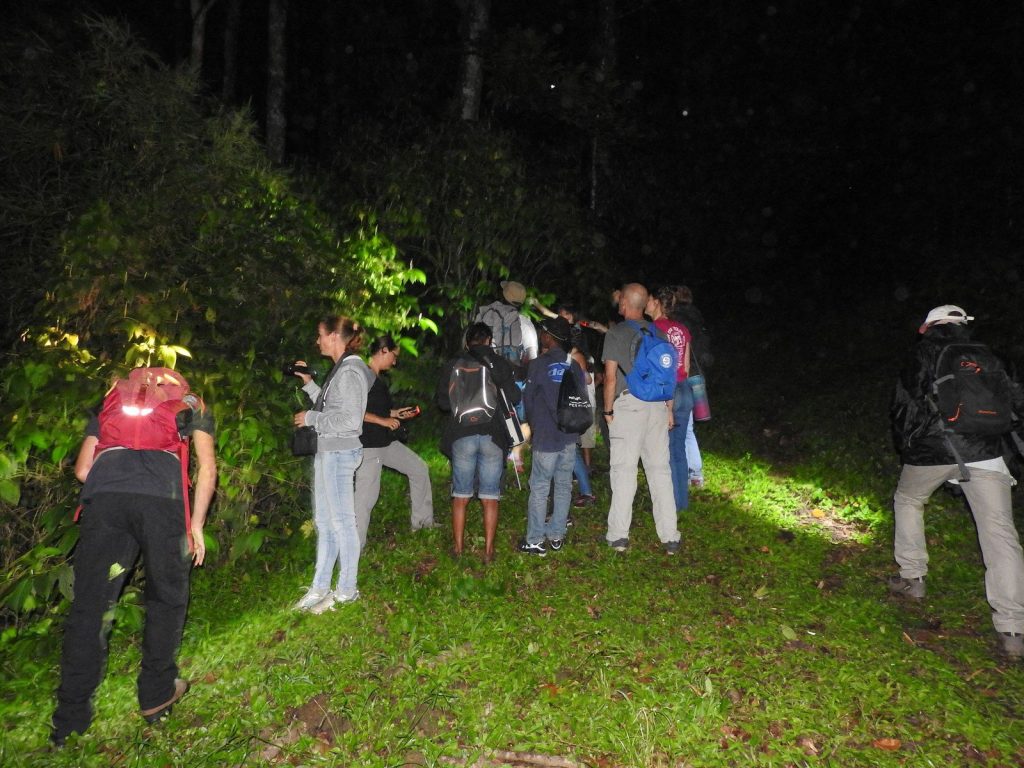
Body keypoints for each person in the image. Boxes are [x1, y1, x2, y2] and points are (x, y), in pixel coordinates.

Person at [52, 369, 216, 746]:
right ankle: (157, 696)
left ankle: (68, 723)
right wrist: (197, 525)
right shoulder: (192, 403)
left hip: (106, 499)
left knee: (90, 607)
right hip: (163, 500)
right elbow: (206, 469)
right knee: (166, 598)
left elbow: (82, 470)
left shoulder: (113, 400)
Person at [889, 304, 1024, 659]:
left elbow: (905, 405)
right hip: (987, 451)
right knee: (1000, 532)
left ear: (927, 327)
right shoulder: (990, 355)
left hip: (935, 448)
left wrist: (909, 447)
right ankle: (1012, 628)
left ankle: (913, 578)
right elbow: (1016, 401)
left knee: (908, 500)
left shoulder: (923, 353)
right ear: (963, 326)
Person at [291, 316, 374, 614]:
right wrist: (310, 385)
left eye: (320, 335)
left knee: (342, 524)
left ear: (335, 336)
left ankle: (347, 590)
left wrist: (311, 418)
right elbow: (333, 407)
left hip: (339, 454)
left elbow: (351, 421)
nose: (317, 341)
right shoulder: (341, 370)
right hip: (328, 452)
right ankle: (320, 587)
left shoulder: (351, 371)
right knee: (325, 524)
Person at [601, 283, 681, 554]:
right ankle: (670, 536)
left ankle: (618, 536)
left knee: (624, 471)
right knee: (660, 471)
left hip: (630, 406)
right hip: (658, 407)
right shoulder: (659, 332)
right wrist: (669, 410)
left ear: (624, 303)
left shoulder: (616, 332)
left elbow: (610, 378)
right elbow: (667, 377)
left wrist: (608, 410)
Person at [436, 322, 521, 564]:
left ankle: (458, 549)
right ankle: (489, 552)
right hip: (493, 435)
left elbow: (442, 402)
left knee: (460, 495)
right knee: (490, 496)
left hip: (461, 434)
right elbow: (515, 397)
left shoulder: (453, 364)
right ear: (489, 341)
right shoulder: (499, 363)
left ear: (467, 341)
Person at [353, 335, 434, 548]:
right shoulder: (362, 374)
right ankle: (354, 548)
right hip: (369, 444)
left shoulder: (378, 378)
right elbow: (353, 410)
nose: (395, 362)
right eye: (394, 356)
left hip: (385, 442)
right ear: (383, 351)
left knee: (419, 468)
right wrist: (383, 420)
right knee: (366, 497)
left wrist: (397, 413)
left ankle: (423, 523)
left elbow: (378, 410)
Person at [518, 317, 587, 555]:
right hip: (568, 437)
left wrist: (534, 425)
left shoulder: (537, 365)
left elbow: (527, 401)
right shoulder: (574, 364)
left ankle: (535, 539)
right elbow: (582, 398)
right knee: (563, 485)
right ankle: (557, 534)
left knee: (539, 487)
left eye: (542, 332)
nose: (540, 335)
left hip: (546, 437)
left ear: (548, 337)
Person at [473, 280, 538, 472]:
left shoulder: (485, 317)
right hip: (515, 379)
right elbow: (532, 358)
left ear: (503, 296)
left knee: (490, 418)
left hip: (486, 378)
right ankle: (516, 454)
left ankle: (488, 456)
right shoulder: (525, 323)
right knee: (523, 420)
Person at [647, 286, 693, 512]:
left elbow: (657, 368)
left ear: (656, 302)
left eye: (648, 300)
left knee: (664, 451)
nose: (645, 304)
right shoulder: (682, 329)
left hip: (667, 392)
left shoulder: (654, 329)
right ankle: (681, 502)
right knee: (679, 450)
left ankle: (670, 504)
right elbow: (685, 365)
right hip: (685, 389)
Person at [671, 285, 709, 487]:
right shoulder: (698, 318)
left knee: (681, 428)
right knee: (688, 428)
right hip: (697, 374)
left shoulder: (676, 321)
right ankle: (696, 473)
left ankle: (687, 472)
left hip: (683, 375)